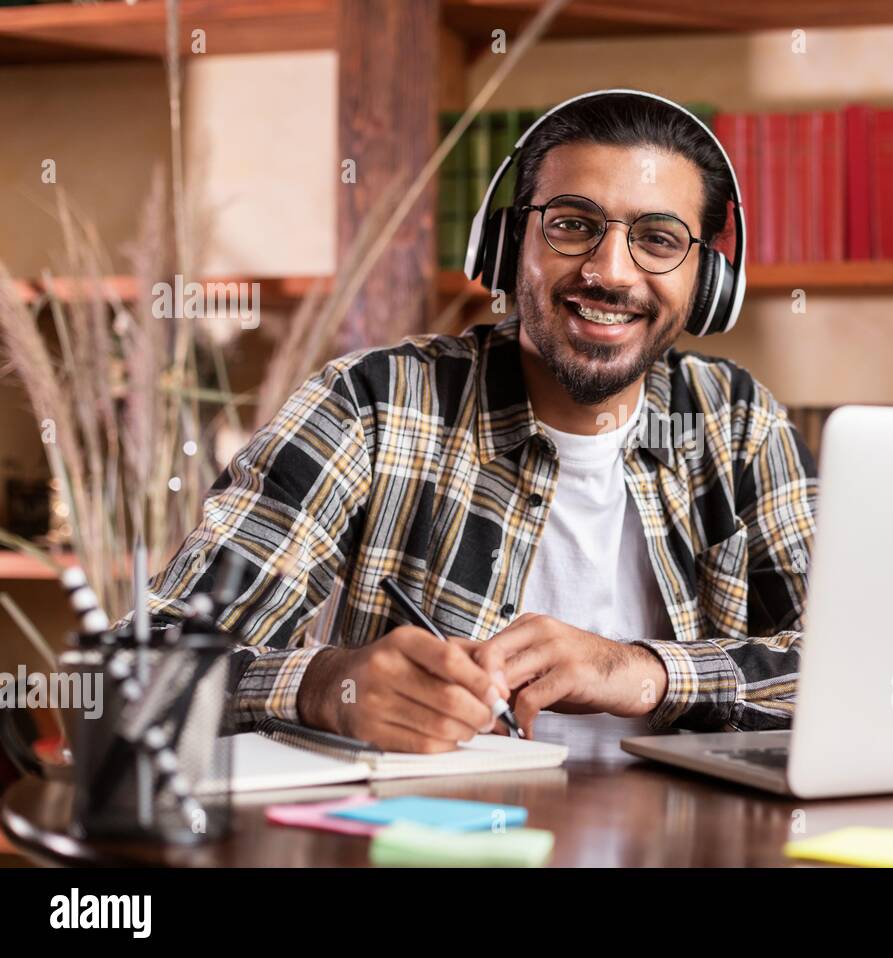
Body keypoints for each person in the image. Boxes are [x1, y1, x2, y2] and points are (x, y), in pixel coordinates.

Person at [146, 90, 818, 750]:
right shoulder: (372, 406)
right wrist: (326, 686)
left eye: (659, 238)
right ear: (505, 246)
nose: (611, 272)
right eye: (572, 224)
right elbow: (142, 672)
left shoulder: (738, 424)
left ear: (708, 281)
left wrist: (642, 671)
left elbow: (862, 669)